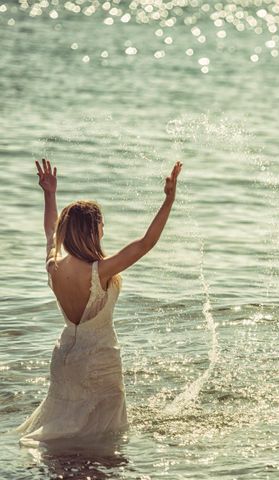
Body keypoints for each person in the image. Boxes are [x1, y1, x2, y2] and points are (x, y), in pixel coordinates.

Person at [17, 158, 183, 445]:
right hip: (98, 361)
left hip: (65, 357)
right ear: (93, 230)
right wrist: (169, 199)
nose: (103, 229)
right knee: (105, 443)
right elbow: (145, 243)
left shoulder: (53, 264)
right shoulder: (100, 271)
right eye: (102, 225)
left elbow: (49, 231)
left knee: (64, 430)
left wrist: (49, 194)